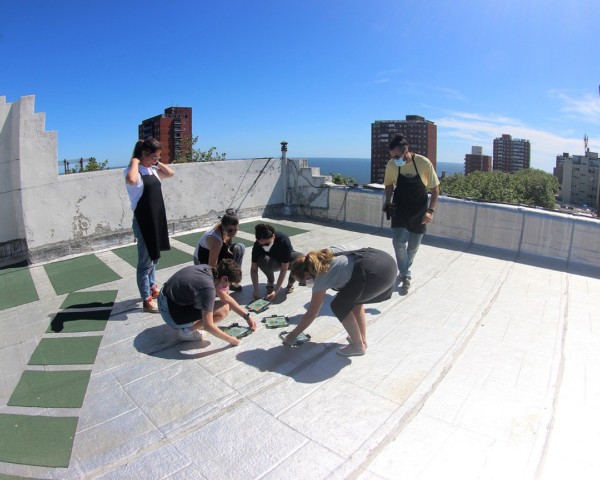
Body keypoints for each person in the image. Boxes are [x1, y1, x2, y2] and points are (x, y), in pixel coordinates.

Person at [285, 247, 397, 356]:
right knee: (352, 299)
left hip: (377, 276)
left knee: (338, 305)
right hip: (385, 262)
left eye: (302, 283)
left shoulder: (320, 277)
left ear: (307, 275)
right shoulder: (325, 253)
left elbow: (312, 313)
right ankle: (362, 340)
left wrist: (292, 335)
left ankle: (358, 347)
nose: (303, 285)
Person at [382, 134, 440, 294]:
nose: (394, 160)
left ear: (406, 151)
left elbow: (435, 189)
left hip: (419, 210)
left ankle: (404, 271)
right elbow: (389, 185)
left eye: (396, 156)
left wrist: (430, 211)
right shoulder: (391, 165)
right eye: (392, 157)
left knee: (413, 247)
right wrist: (388, 201)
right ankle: (406, 274)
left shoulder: (423, 163)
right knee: (398, 242)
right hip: (399, 208)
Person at [125, 138, 175, 313]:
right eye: (154, 156)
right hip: (144, 221)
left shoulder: (152, 170)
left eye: (158, 157)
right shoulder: (134, 170)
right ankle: (146, 299)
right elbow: (131, 180)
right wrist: (135, 160)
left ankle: (153, 286)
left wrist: (156, 161)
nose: (156, 160)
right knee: (145, 263)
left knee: (155, 257)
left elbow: (170, 173)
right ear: (143, 154)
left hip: (157, 219)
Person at [158, 258, 257, 344]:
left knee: (223, 305)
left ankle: (191, 324)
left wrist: (247, 317)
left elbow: (226, 298)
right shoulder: (208, 288)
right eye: (230, 284)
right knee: (223, 310)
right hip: (171, 315)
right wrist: (231, 339)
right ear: (225, 278)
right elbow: (208, 325)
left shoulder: (209, 270)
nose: (229, 287)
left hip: (165, 299)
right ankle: (187, 332)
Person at [193, 209, 245, 292]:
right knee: (215, 288)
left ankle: (232, 281)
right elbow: (211, 266)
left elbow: (225, 246)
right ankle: (215, 285)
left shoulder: (225, 230)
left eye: (236, 229)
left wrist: (228, 254)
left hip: (217, 252)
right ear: (224, 227)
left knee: (240, 248)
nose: (233, 232)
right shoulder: (215, 239)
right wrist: (218, 283)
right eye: (230, 230)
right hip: (203, 260)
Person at [250, 223, 304, 301]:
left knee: (299, 258)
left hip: (286, 260)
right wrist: (255, 289)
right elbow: (254, 269)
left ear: (273, 236)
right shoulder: (257, 246)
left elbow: (284, 269)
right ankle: (270, 282)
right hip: (272, 262)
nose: (265, 246)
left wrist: (276, 291)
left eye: (267, 243)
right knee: (262, 259)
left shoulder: (283, 240)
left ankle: (290, 283)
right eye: (262, 244)